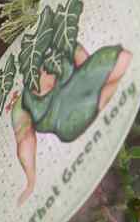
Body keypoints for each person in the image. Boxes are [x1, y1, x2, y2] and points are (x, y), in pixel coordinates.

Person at [7, 39, 131, 204]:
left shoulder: (59, 46)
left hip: (86, 83)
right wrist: (31, 182)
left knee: (123, 59)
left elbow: (86, 68)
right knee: (101, 94)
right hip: (70, 117)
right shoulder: (23, 104)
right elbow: (25, 141)